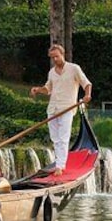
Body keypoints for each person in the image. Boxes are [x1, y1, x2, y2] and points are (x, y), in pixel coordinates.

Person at [29, 43, 92, 176]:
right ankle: (59, 162)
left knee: (63, 138)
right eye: (52, 58)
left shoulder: (74, 68)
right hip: (52, 109)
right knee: (55, 139)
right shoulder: (51, 72)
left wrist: (87, 95)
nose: (55, 60)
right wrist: (38, 89)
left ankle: (60, 166)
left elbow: (86, 83)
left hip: (67, 108)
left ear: (62, 55)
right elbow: (48, 89)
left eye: (56, 57)